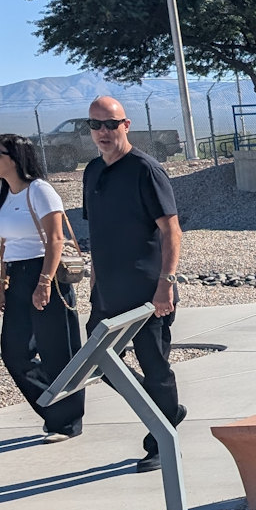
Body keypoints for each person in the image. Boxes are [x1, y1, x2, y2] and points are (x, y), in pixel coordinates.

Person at [81, 95, 186, 472]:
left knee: (154, 365)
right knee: (96, 363)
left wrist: (166, 284)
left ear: (127, 125)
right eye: (95, 125)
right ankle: (168, 412)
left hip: (147, 291)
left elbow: (171, 230)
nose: (103, 132)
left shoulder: (146, 170)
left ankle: (161, 438)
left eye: (111, 124)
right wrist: (95, 285)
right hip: (108, 292)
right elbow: (98, 233)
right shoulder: (92, 172)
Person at [0, 133, 84, 441]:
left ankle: (67, 422)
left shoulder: (40, 191)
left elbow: (56, 239)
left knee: (57, 352)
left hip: (45, 273)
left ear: (14, 159)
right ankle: (55, 409)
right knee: (14, 352)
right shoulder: (6, 194)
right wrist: (3, 285)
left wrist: (44, 282)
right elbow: (6, 245)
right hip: (17, 276)